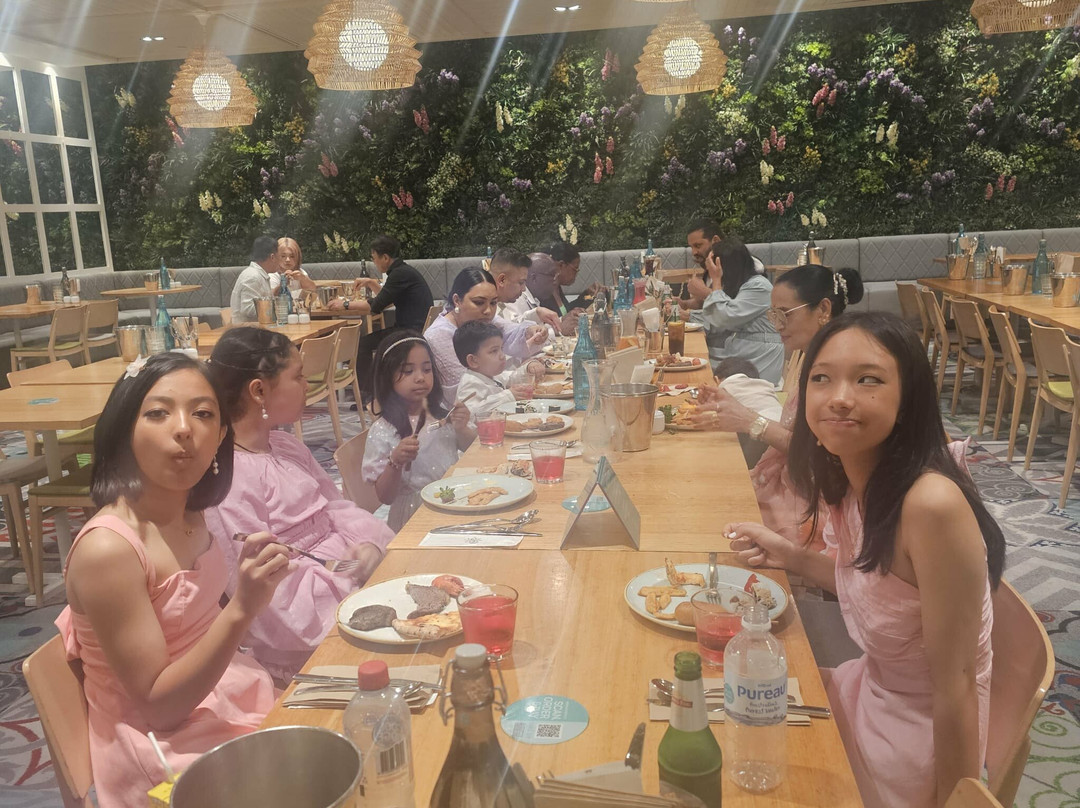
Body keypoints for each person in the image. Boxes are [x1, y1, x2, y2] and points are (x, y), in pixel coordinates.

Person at [725, 312, 1004, 808]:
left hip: (916, 745)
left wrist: (955, 800)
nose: (839, 397)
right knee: (728, 706)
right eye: (821, 378)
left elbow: (958, 687)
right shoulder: (852, 477)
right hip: (868, 691)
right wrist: (788, 555)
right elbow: (879, 588)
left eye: (868, 380)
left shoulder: (931, 505)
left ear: (908, 397)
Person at [55, 353, 289, 807]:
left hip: (221, 696)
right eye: (158, 413)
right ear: (124, 430)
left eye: (202, 414)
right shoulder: (109, 550)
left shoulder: (190, 513)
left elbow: (193, 625)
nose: (184, 429)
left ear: (221, 435)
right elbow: (160, 708)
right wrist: (242, 609)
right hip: (160, 749)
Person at [204, 327, 395, 681]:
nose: (308, 385)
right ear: (259, 390)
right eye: (298, 376)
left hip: (350, 579)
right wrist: (351, 582)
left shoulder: (286, 446)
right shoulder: (228, 479)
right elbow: (269, 598)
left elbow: (335, 509)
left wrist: (368, 544)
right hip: (308, 638)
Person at [692, 264, 864, 546]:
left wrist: (750, 421)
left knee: (710, 515)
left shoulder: (838, 368)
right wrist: (735, 408)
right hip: (795, 483)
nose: (777, 326)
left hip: (818, 503)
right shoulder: (815, 356)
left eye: (785, 315)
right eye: (773, 315)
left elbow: (826, 457)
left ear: (823, 309)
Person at [361, 332, 473, 531]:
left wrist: (462, 428)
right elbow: (385, 497)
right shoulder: (383, 431)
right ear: (387, 376)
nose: (420, 378)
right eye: (408, 371)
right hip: (414, 515)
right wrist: (395, 462)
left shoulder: (441, 415)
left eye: (427, 369)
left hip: (452, 501)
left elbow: (472, 450)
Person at [328, 235, 435, 402]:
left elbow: (374, 307)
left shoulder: (399, 274)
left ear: (385, 257)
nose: (374, 262)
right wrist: (371, 282)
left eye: (374, 258)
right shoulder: (403, 271)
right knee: (366, 343)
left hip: (409, 332)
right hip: (413, 328)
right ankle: (372, 391)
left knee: (361, 345)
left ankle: (368, 395)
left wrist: (345, 304)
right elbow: (387, 299)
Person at [424, 267, 548, 407]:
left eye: (493, 303)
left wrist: (530, 331)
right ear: (457, 300)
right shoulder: (439, 335)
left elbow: (510, 332)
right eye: (479, 302)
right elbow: (464, 396)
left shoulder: (481, 320)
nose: (488, 310)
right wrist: (508, 393)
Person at [683, 239, 784, 384]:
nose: (710, 273)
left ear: (727, 268)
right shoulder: (739, 284)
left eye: (713, 269)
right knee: (689, 362)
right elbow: (721, 315)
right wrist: (688, 316)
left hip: (757, 365)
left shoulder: (759, 286)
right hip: (740, 355)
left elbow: (725, 317)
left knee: (694, 371)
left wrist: (714, 283)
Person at [453, 320, 518, 418]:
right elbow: (471, 414)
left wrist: (528, 369)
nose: (502, 356)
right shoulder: (470, 383)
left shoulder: (489, 374)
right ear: (473, 360)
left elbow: (510, 377)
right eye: (494, 351)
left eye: (501, 348)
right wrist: (507, 396)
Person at [490, 248, 563, 333]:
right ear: (502, 280)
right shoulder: (485, 308)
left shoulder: (499, 302)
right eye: (521, 282)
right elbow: (507, 335)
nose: (524, 289)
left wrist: (537, 313)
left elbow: (511, 325)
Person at [230, 235, 281, 323]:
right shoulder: (253, 276)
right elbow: (247, 309)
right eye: (279, 257)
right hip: (247, 329)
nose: (280, 261)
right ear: (272, 257)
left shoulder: (259, 274)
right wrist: (278, 306)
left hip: (258, 327)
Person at [714, 357, 782, 422]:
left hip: (757, 423)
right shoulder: (765, 386)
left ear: (717, 380)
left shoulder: (725, 386)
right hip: (780, 416)